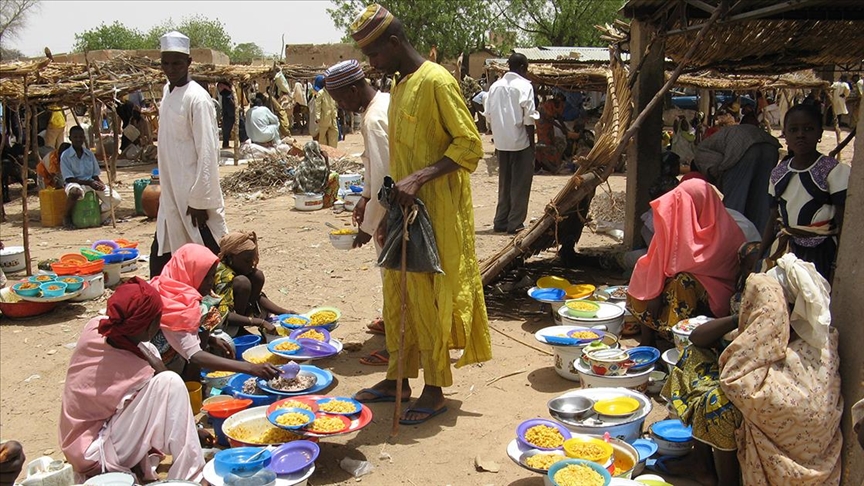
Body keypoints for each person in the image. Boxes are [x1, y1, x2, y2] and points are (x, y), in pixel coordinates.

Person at [348, 4, 492, 425]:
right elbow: (399, 158)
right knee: (398, 295)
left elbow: (470, 146)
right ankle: (398, 378)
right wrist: (386, 203)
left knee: (430, 297)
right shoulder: (400, 87)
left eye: (374, 55)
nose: (371, 65)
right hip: (404, 213)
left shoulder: (437, 81)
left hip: (439, 213)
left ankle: (434, 388)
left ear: (393, 44)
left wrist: (421, 178)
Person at [661, 254, 841, 485]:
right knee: (695, 355)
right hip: (762, 411)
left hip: (790, 444)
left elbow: (745, 388)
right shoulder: (765, 331)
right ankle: (702, 464)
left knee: (719, 403)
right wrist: (740, 317)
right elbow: (698, 339)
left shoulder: (810, 345)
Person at [59, 278, 207, 482]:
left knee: (159, 370)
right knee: (170, 382)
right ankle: (191, 477)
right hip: (93, 451)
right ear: (149, 327)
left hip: (84, 439)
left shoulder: (95, 328)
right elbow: (163, 394)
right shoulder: (133, 366)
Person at [323, 59, 391, 365]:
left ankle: (399, 347)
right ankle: (392, 321)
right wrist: (364, 197)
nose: (342, 106)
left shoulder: (373, 120)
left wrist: (369, 226)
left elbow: (384, 178)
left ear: (353, 89)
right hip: (390, 201)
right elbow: (374, 169)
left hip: (394, 208)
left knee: (397, 276)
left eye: (340, 100)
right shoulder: (384, 103)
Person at [626, 179, 745, 346]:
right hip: (681, 281)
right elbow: (658, 256)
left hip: (714, 293)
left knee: (683, 282)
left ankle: (678, 341)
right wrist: (654, 291)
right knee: (643, 268)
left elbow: (694, 264)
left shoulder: (729, 233)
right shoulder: (681, 223)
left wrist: (663, 280)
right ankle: (648, 340)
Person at [150, 31, 227, 278]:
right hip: (172, 193)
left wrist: (200, 200)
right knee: (162, 259)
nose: (170, 69)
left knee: (211, 256)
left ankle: (243, 302)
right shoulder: (167, 93)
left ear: (189, 63)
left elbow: (207, 151)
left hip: (193, 198)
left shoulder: (197, 98)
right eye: (166, 63)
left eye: (177, 63)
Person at [150, 244, 281, 380]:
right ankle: (191, 382)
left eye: (212, 276)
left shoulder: (184, 291)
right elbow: (195, 356)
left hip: (178, 349)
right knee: (207, 312)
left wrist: (211, 340)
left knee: (209, 310)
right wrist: (251, 368)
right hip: (159, 364)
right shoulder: (170, 302)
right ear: (190, 272)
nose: (210, 282)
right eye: (205, 277)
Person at [760, 104, 850, 282]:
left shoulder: (833, 170)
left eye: (808, 129)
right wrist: (761, 253)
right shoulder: (779, 173)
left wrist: (840, 260)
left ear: (820, 133)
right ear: (785, 134)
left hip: (823, 251)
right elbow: (773, 217)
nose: (800, 134)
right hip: (788, 249)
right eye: (794, 130)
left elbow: (842, 218)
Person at [693, 121, 781, 234]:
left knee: (734, 205)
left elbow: (716, 168)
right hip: (770, 147)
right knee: (761, 201)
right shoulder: (716, 141)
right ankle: (761, 244)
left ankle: (730, 240)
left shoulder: (699, 154)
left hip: (743, 149)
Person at [485, 52, 538, 235]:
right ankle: (515, 223)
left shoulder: (494, 87)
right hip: (521, 142)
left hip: (501, 143)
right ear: (523, 68)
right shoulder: (525, 86)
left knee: (504, 183)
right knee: (520, 184)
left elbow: (488, 116)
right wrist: (533, 145)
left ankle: (500, 221)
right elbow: (529, 119)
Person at [214, 231, 293, 337]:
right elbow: (224, 314)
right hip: (220, 319)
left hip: (239, 310)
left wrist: (286, 312)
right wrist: (259, 322)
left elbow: (258, 297)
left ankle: (242, 323)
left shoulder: (239, 267)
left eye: (253, 259)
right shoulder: (223, 274)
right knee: (243, 283)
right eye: (247, 261)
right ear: (231, 258)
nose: (252, 264)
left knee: (257, 275)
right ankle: (236, 331)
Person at [60, 125, 122, 227]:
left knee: (115, 199)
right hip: (75, 183)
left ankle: (99, 215)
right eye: (75, 137)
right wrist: (89, 183)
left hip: (91, 182)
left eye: (80, 137)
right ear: (70, 138)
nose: (78, 139)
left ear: (84, 138)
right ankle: (67, 217)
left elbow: (95, 175)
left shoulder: (89, 154)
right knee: (75, 192)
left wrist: (101, 184)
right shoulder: (65, 156)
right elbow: (69, 178)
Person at [534, 92, 566, 172]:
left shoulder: (561, 105)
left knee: (551, 138)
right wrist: (560, 127)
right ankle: (544, 159)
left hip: (549, 123)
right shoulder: (548, 104)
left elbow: (559, 117)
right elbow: (548, 119)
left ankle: (551, 161)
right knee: (545, 140)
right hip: (542, 122)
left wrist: (564, 128)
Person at [312, 75, 339, 148]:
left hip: (332, 117)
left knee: (334, 133)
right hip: (324, 118)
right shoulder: (321, 93)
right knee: (322, 136)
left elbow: (334, 104)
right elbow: (318, 106)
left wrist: (336, 114)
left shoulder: (332, 92)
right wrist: (317, 117)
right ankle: (324, 150)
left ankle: (333, 150)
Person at [830, 74, 850, 145]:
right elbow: (847, 90)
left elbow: (830, 89)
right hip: (840, 99)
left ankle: (834, 123)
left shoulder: (835, 84)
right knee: (840, 112)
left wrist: (831, 96)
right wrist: (845, 95)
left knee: (835, 111)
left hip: (834, 99)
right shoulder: (845, 84)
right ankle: (837, 125)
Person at [217, 81, 236, 149]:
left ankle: (226, 144)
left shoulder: (228, 94)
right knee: (226, 130)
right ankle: (225, 144)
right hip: (228, 114)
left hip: (230, 113)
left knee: (227, 130)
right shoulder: (226, 95)